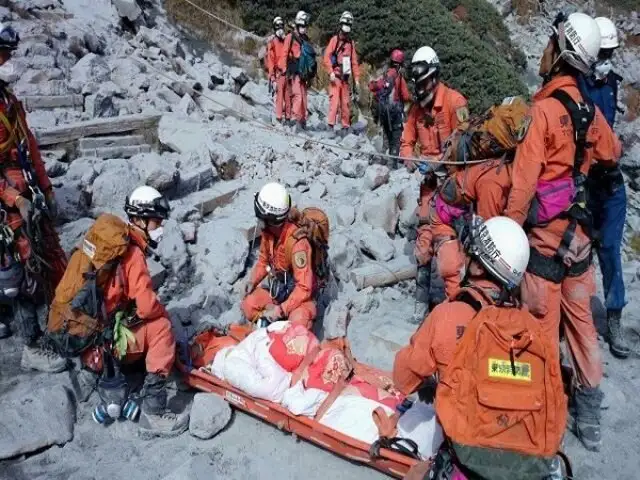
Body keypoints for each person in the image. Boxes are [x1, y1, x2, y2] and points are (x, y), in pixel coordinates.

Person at [505, 12, 621, 451]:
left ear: (561, 51)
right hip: (580, 242)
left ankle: (544, 406)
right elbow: (612, 151)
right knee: (582, 329)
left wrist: (509, 230)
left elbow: (522, 185)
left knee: (538, 328)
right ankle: (588, 412)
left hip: (545, 245)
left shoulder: (543, 112)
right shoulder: (589, 112)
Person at [73, 186, 189, 436]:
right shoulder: (133, 253)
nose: (160, 227)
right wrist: (161, 312)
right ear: (139, 219)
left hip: (89, 341)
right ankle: (154, 411)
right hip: (109, 344)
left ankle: (93, 374)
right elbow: (147, 306)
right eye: (156, 221)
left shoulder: (108, 243)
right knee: (162, 328)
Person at [394, 216, 530, 395]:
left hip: (460, 420)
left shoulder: (447, 315)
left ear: (478, 267)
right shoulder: (530, 329)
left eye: (467, 253)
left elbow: (402, 378)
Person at [0, 24, 67, 372]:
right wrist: (12, 197)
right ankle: (30, 343)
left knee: (44, 255)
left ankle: (62, 317)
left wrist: (47, 189)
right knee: (17, 270)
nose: (8, 59)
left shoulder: (8, 100)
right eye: (3, 53)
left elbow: (30, 148)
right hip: (7, 201)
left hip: (23, 187)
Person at [578, 17, 629, 359]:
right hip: (583, 180)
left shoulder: (611, 82)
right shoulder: (576, 82)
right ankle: (574, 319)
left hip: (609, 180)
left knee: (610, 250)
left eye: (611, 52)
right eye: (603, 52)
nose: (607, 58)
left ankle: (613, 318)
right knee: (577, 252)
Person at [241, 182, 317, 330]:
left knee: (299, 323)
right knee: (248, 304)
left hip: (299, 297)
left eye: (260, 217)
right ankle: (274, 325)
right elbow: (263, 261)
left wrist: (280, 310)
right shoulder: (269, 233)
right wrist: (252, 281)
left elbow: (304, 288)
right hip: (279, 290)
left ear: (271, 220)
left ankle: (284, 324)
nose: (258, 220)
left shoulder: (298, 244)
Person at [399, 46, 468, 171]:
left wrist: (438, 162)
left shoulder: (455, 102)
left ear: (434, 77)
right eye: (418, 84)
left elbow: (461, 145)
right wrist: (408, 158)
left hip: (451, 177)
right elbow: (406, 141)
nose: (420, 89)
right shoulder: (416, 109)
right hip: (425, 178)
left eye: (423, 83)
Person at [368, 49, 411, 164]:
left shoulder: (386, 75)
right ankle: (393, 163)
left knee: (386, 136)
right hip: (395, 113)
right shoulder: (399, 78)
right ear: (400, 64)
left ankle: (382, 159)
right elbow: (406, 96)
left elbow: (373, 87)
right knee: (396, 138)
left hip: (384, 113)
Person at [323, 11, 360, 137]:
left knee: (345, 103)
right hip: (336, 76)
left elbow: (354, 62)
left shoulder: (351, 43)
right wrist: (330, 72)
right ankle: (330, 126)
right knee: (334, 102)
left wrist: (357, 80)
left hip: (345, 78)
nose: (345, 33)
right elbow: (326, 57)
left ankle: (345, 126)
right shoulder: (335, 40)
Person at [280, 11, 312, 132]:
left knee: (304, 96)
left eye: (306, 26)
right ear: (298, 25)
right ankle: (294, 119)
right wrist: (283, 69)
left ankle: (302, 120)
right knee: (297, 95)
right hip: (293, 71)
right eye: (303, 26)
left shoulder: (306, 39)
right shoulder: (290, 37)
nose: (304, 28)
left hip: (304, 72)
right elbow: (284, 54)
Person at [266, 16, 291, 126]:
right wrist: (272, 78)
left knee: (288, 96)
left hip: (288, 73)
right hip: (279, 73)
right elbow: (271, 61)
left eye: (282, 26)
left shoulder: (287, 41)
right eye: (278, 27)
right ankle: (279, 117)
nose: (280, 29)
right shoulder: (272, 43)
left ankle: (289, 117)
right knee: (279, 96)